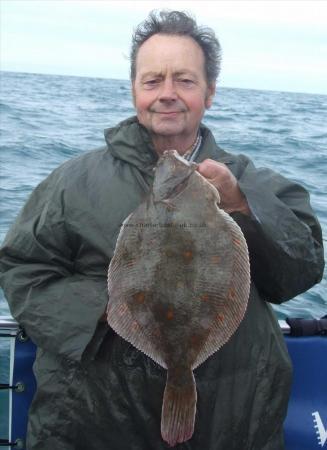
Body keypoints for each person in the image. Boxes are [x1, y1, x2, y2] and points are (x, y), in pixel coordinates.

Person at [0, 10, 324, 450]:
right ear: (134, 90)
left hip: (232, 424)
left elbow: (302, 271)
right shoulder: (71, 183)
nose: (167, 94)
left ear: (210, 92)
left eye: (185, 81)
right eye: (152, 81)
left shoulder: (253, 182)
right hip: (96, 424)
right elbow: (21, 269)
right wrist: (108, 309)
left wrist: (244, 206)